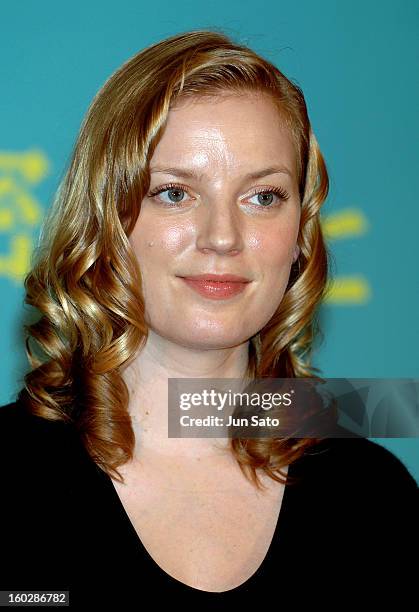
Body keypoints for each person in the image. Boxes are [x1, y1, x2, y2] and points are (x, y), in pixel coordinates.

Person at [0, 29, 417, 608]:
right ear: (106, 218)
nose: (223, 237)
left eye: (263, 196)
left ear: (300, 233)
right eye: (174, 193)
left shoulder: (373, 496)